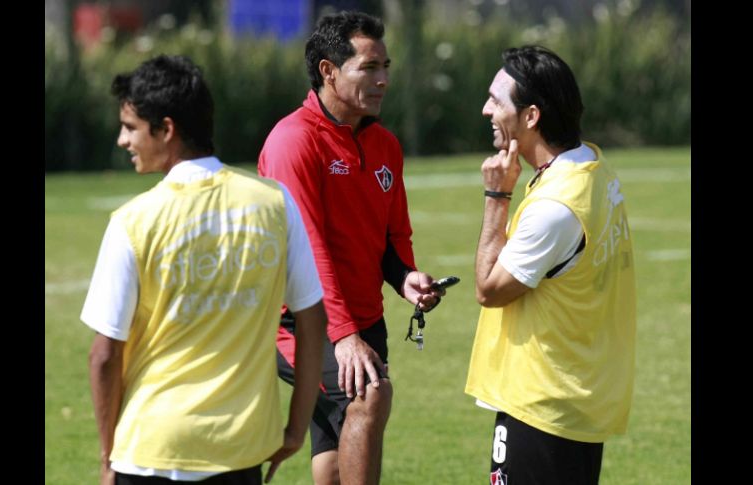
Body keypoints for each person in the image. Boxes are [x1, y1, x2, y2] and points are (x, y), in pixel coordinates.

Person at [82, 54, 327, 485]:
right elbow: (312, 321)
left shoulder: (133, 221)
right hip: (241, 448)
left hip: (150, 449)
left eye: (131, 127)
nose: (123, 140)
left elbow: (104, 355)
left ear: (167, 129)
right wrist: (294, 427)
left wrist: (108, 458)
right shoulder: (274, 203)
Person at [258, 11, 443, 485]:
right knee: (369, 396)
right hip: (300, 321)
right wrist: (343, 338)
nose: (382, 80)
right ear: (328, 71)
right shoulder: (293, 142)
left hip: (363, 320)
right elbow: (309, 250)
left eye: (385, 67)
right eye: (369, 68)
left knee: (337, 452)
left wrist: (407, 279)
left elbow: (392, 239)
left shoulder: (385, 145)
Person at [465, 45, 636, 485]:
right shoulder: (595, 170)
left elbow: (488, 288)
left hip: (541, 405)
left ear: (531, 116)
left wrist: (497, 197)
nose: (486, 110)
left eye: (497, 101)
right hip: (578, 398)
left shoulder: (557, 206)